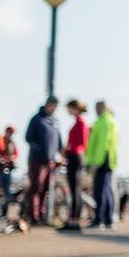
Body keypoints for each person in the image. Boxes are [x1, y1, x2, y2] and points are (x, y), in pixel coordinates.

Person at [23, 98, 64, 229]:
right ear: (48, 105)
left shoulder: (55, 122)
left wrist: (60, 156)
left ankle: (43, 215)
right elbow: (28, 138)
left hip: (51, 161)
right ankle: (32, 215)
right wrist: (40, 150)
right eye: (53, 106)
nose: (54, 109)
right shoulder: (36, 119)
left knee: (46, 190)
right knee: (36, 188)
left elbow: (59, 142)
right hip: (37, 160)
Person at [86, 101, 118, 229]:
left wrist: (95, 162)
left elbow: (102, 144)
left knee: (100, 190)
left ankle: (99, 219)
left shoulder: (103, 121)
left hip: (102, 160)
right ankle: (108, 219)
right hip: (109, 160)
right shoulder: (112, 121)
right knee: (107, 189)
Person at [60, 101, 89, 231]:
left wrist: (68, 148)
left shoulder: (80, 123)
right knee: (73, 190)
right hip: (73, 156)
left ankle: (75, 220)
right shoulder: (78, 122)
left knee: (76, 190)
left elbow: (82, 142)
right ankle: (72, 218)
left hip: (76, 157)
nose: (68, 111)